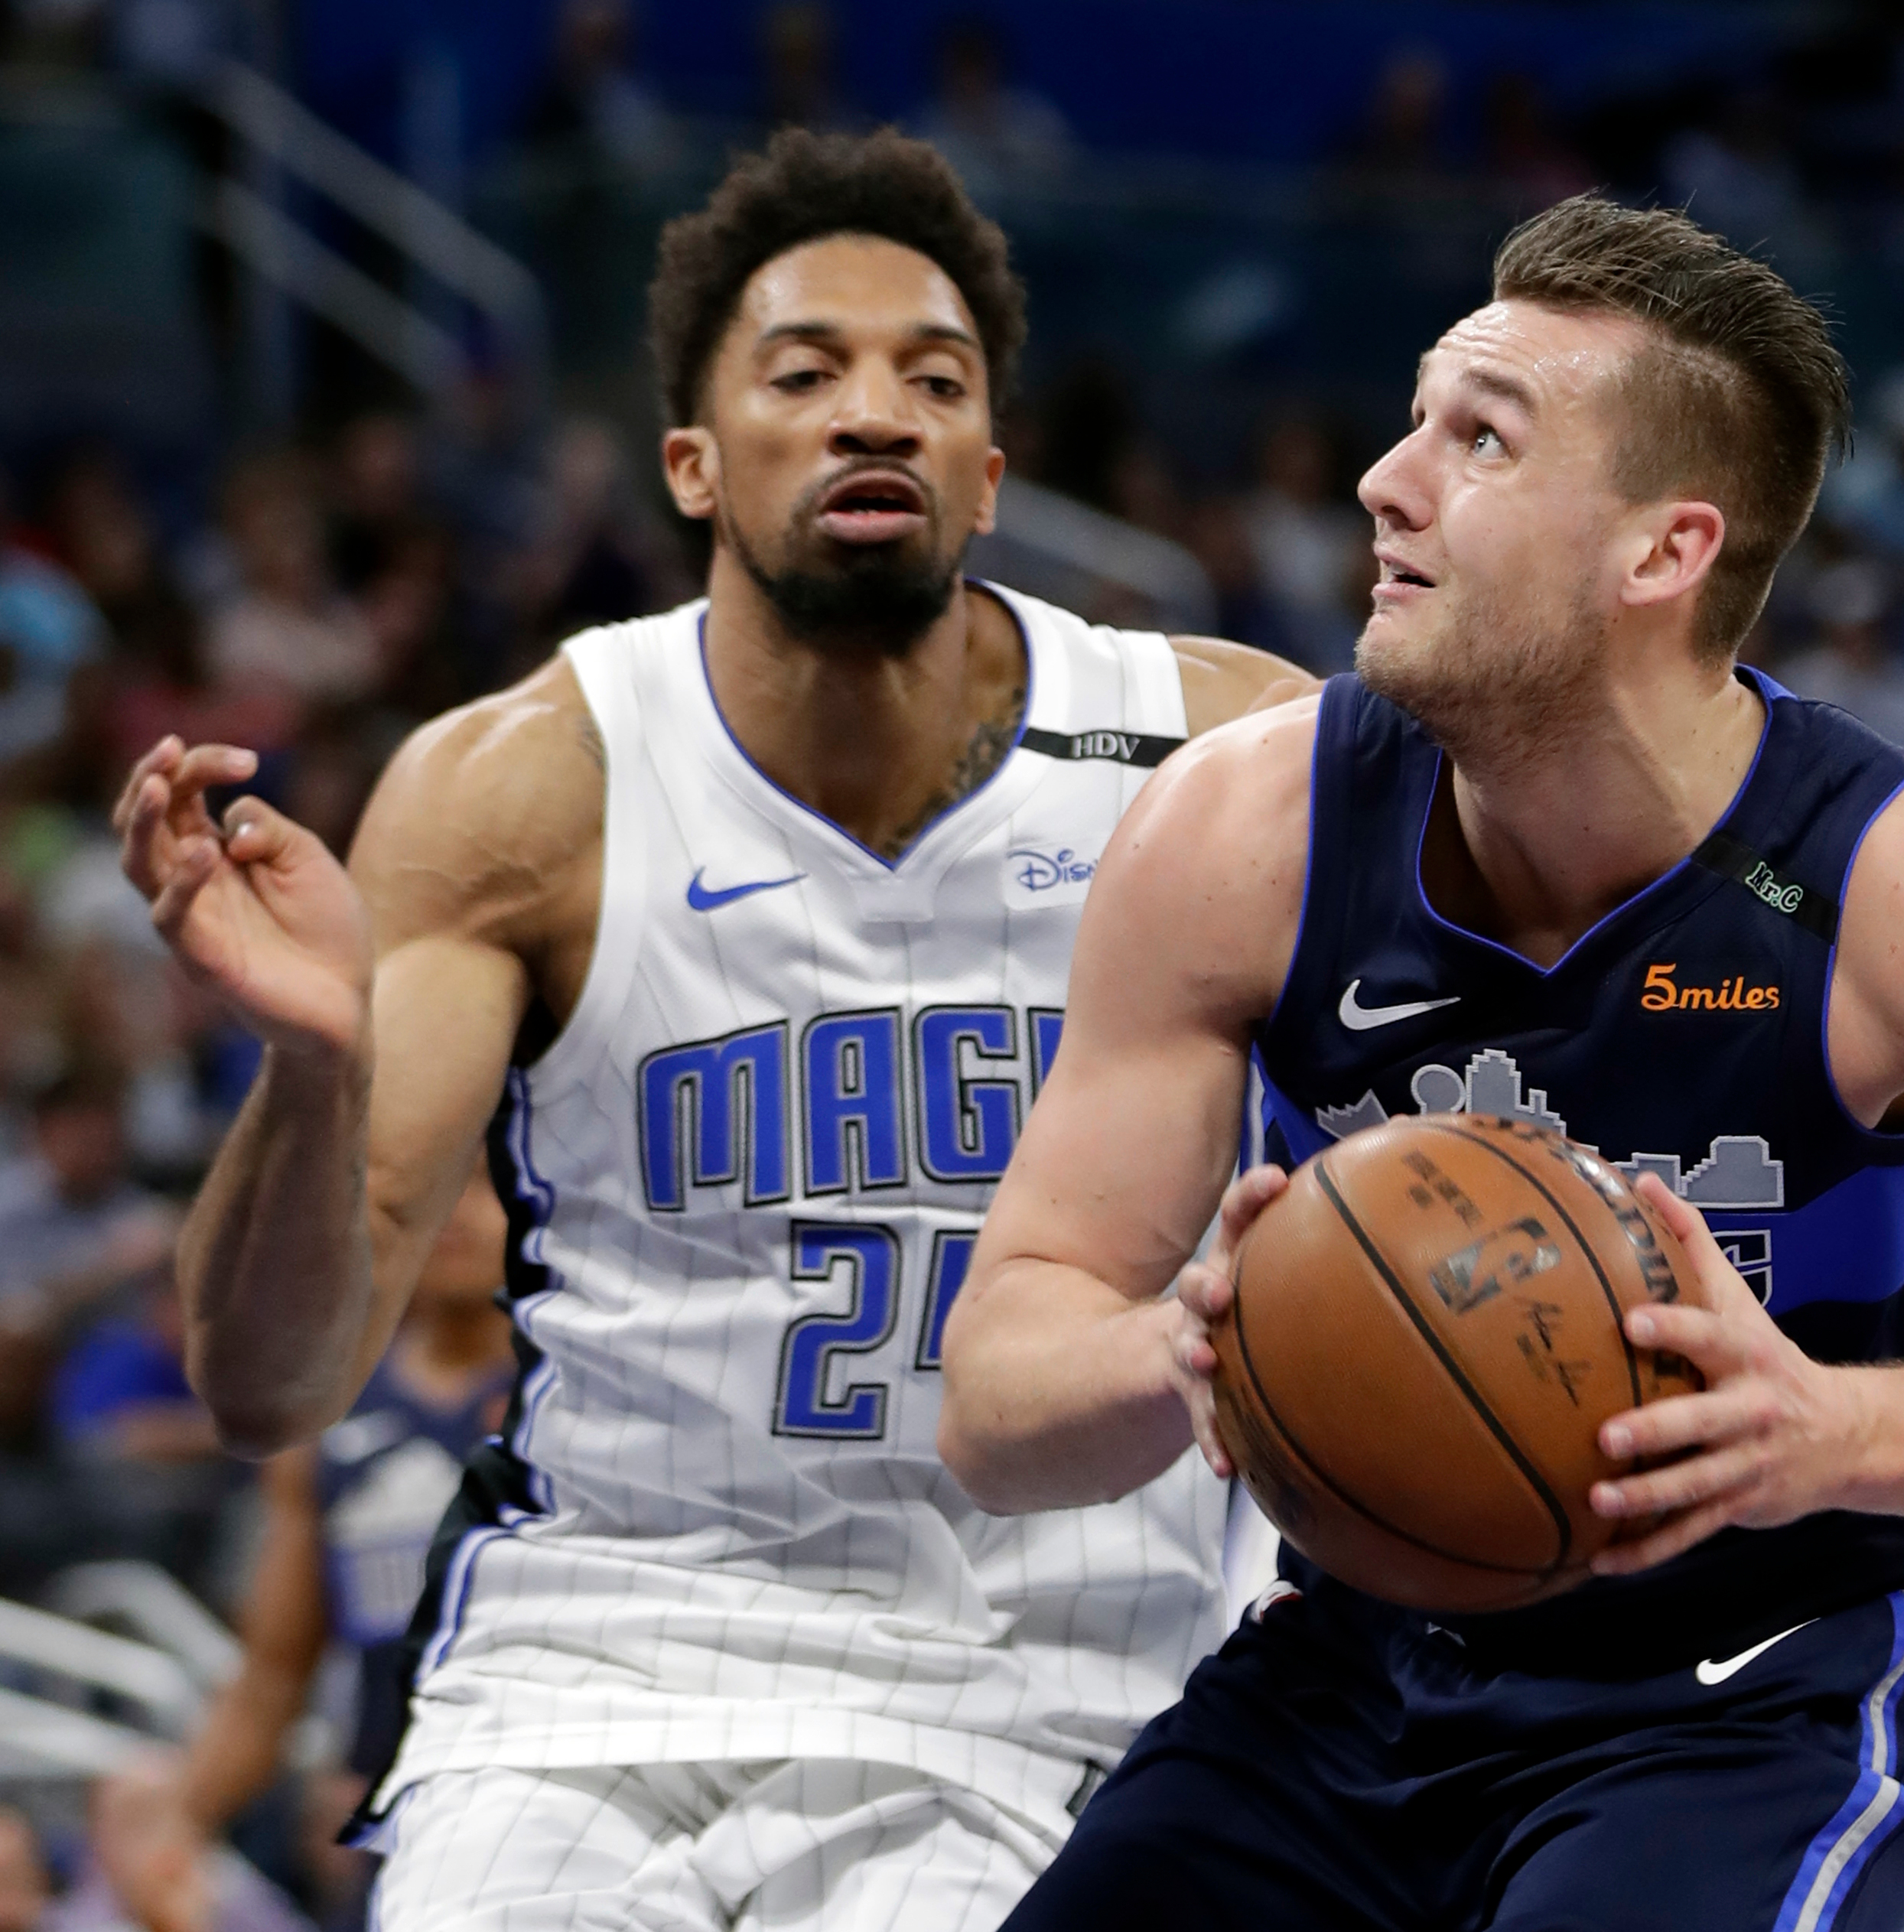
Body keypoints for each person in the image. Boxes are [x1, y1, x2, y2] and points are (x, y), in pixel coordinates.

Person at [937, 195, 1904, 1931]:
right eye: (1412, 419)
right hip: (1351, 1661)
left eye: (1476, 438)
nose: (1382, 481)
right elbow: (996, 1399)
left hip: (1747, 1683)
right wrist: (1180, 1346)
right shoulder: (1242, 829)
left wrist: (1836, 1423)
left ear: (1661, 552)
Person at [113, 129, 1300, 1932]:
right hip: (595, 1675)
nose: (871, 413)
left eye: (932, 378)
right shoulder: (521, 788)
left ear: (990, 473)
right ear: (692, 461)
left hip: (1040, 1688)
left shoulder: (1225, 760)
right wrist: (311, 1058)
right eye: (803, 371)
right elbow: (268, 1376)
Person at [93, 1169, 513, 1930]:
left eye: (488, 1186)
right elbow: (271, 1680)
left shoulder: (584, 1394)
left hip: (567, 1829)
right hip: (401, 1844)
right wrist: (180, 1821)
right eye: (441, 1185)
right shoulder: (333, 1425)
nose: (459, 1216)